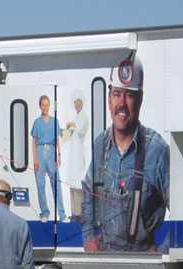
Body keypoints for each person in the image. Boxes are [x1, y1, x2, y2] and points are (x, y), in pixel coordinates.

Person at [81, 55, 169, 252]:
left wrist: (162, 251)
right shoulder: (100, 144)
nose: (121, 103)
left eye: (129, 95)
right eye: (117, 94)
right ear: (109, 99)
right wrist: (88, 239)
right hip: (104, 259)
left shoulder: (157, 149)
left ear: (140, 100)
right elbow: (88, 194)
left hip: (142, 260)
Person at [31, 95, 68, 223]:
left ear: (49, 106)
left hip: (52, 151)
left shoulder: (54, 121)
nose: (45, 107)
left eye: (47, 105)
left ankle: (62, 215)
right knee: (40, 185)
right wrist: (35, 159)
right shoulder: (37, 122)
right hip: (40, 152)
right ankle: (45, 213)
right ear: (40, 106)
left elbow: (57, 140)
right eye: (43, 105)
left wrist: (59, 155)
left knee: (56, 185)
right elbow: (34, 142)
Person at [62, 91, 89, 220]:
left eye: (78, 103)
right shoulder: (76, 117)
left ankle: (79, 213)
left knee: (78, 182)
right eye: (75, 103)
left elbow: (80, 131)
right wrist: (66, 129)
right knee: (72, 182)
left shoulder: (83, 116)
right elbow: (67, 135)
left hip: (78, 153)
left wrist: (72, 126)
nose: (76, 105)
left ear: (82, 104)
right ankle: (73, 212)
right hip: (72, 154)